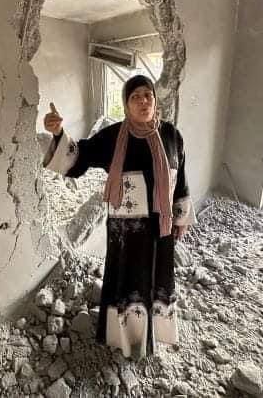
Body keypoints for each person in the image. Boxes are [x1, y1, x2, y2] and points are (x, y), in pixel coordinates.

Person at [43, 75, 195, 359]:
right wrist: (58, 133)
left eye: (147, 95)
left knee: (157, 278)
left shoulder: (172, 136)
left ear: (155, 100)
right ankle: (123, 338)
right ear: (126, 104)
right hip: (125, 233)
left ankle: (151, 335)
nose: (143, 101)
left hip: (160, 229)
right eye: (135, 96)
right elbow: (80, 158)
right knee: (126, 281)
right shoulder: (113, 137)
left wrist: (181, 217)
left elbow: (181, 178)